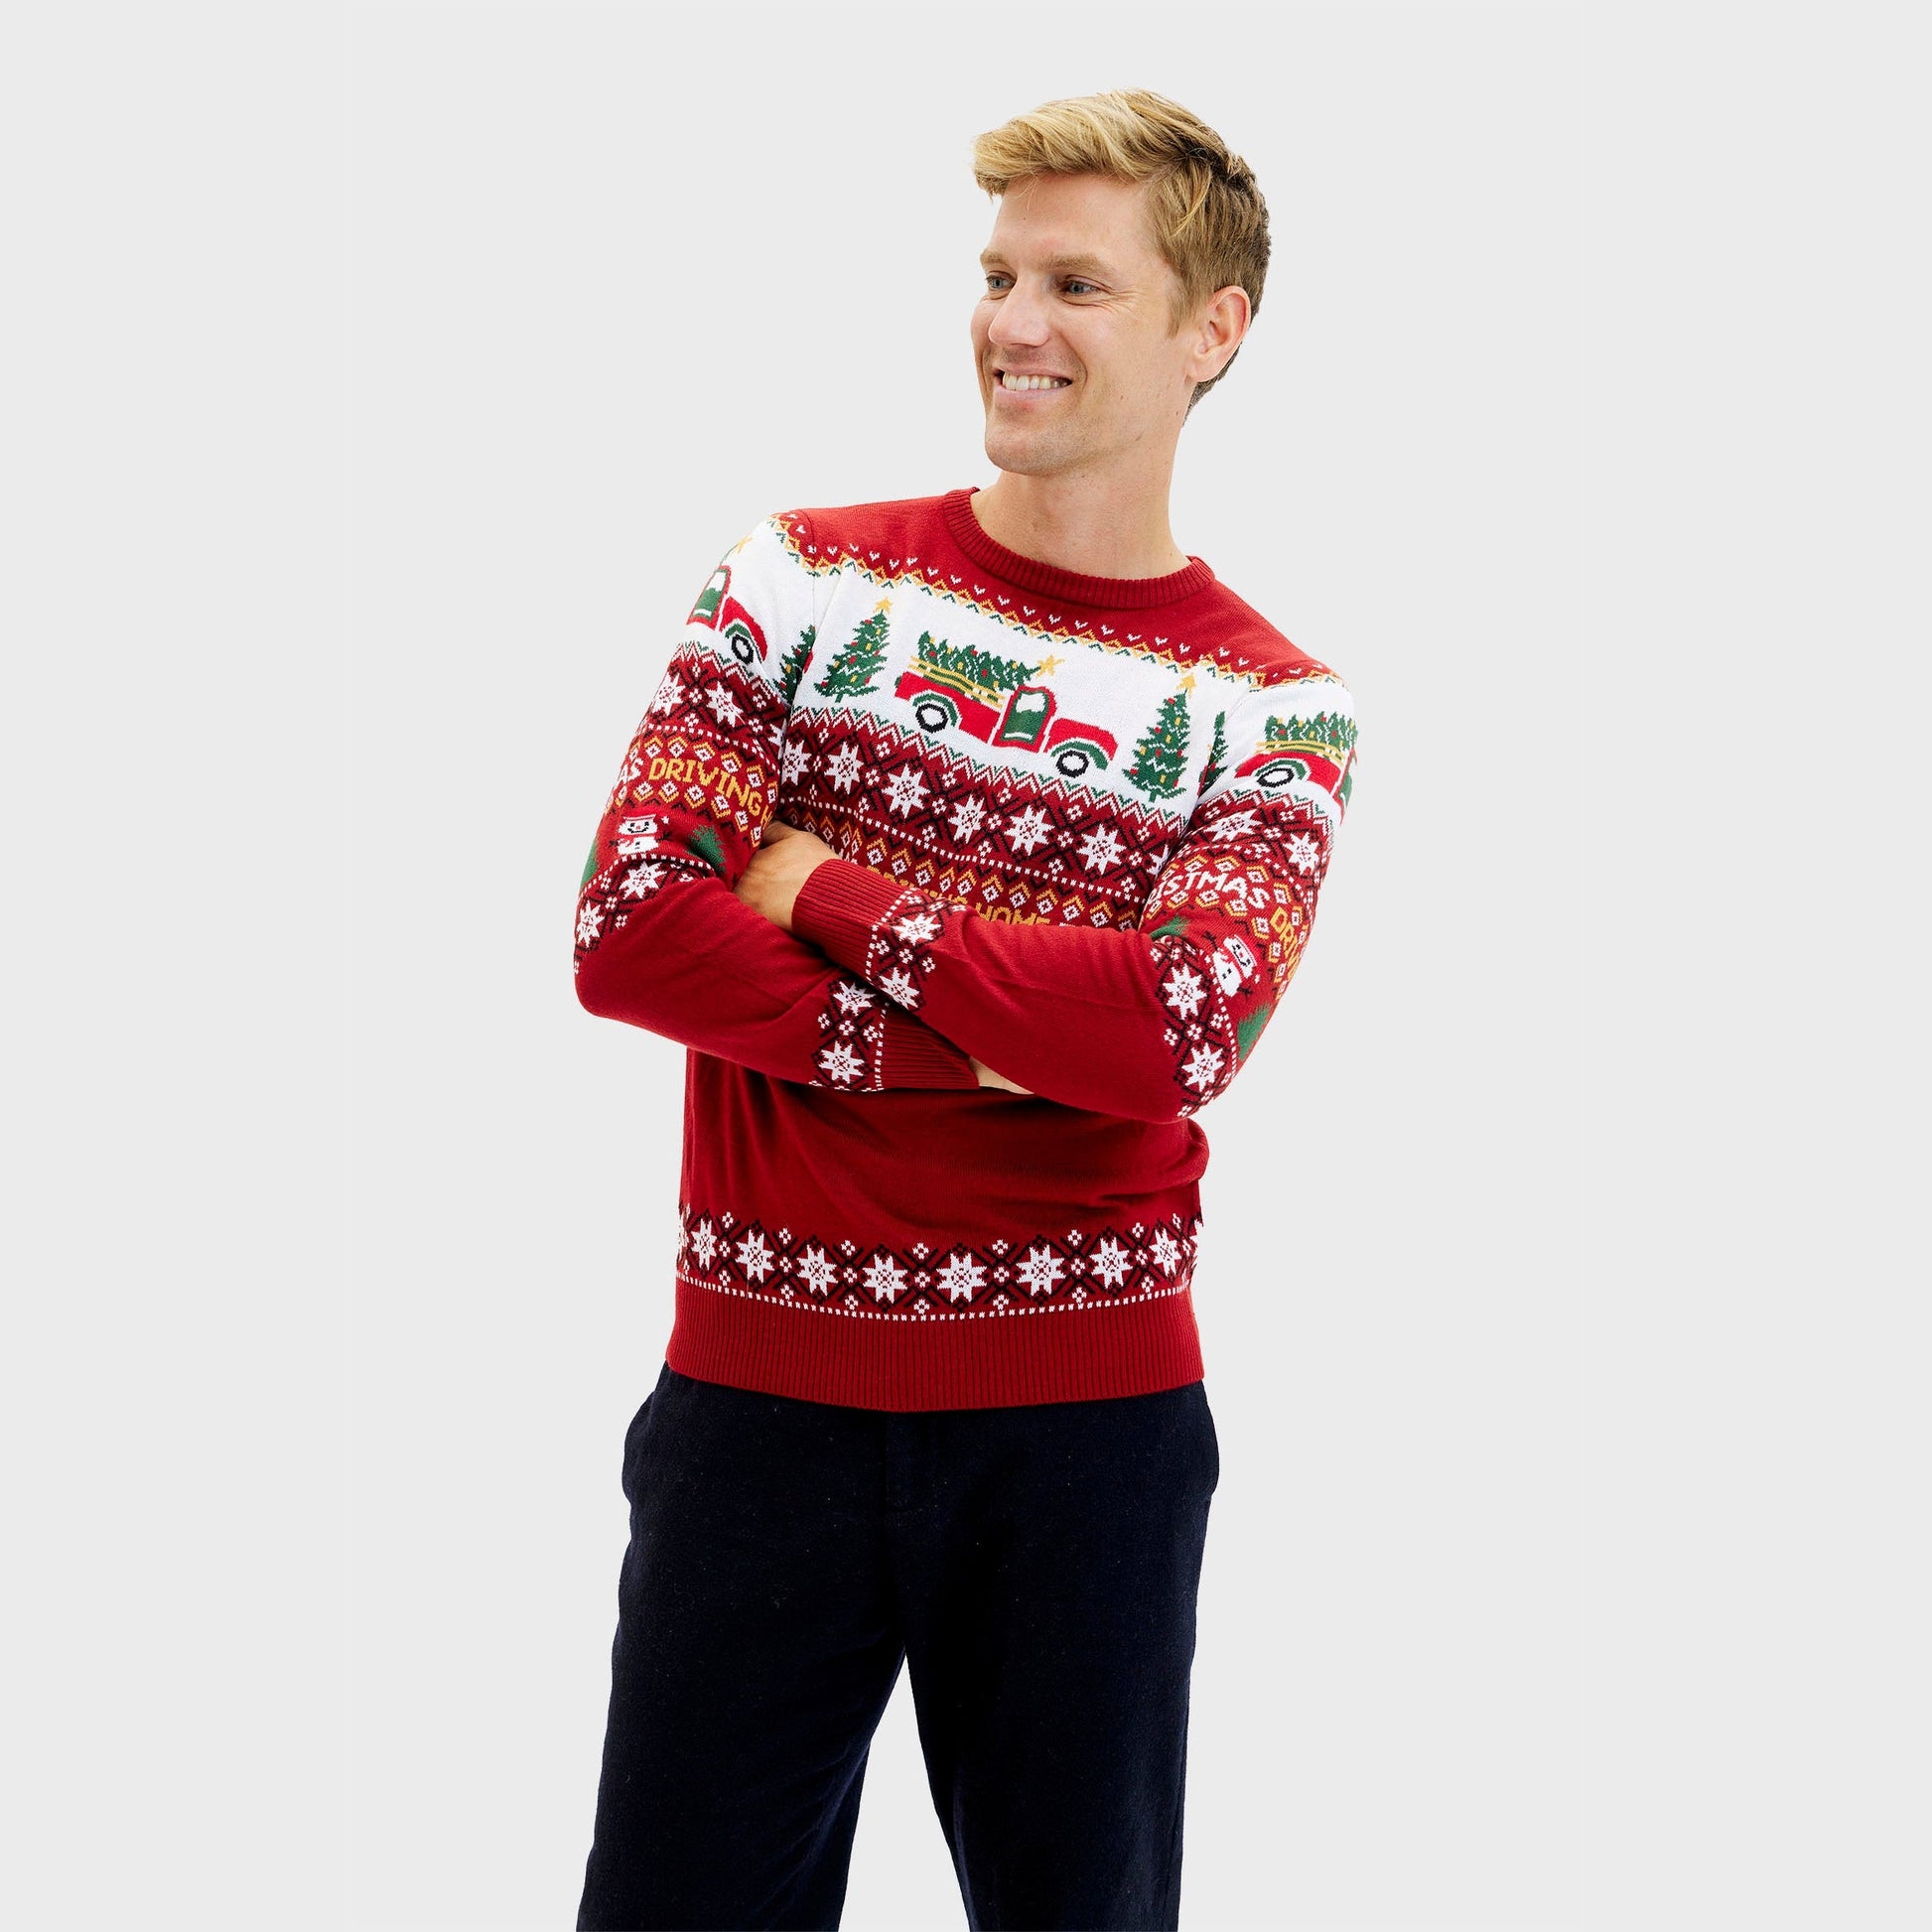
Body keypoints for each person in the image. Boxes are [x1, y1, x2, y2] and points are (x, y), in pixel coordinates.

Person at [570, 85, 1358, 1932]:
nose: (1012, 321)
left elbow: (1174, 1038)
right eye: (998, 274)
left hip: (1086, 1435)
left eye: (1075, 284)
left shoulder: (1275, 709)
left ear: (1212, 328)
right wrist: (991, 1040)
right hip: (754, 1399)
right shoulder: (800, 578)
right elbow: (626, 928)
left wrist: (821, 888)